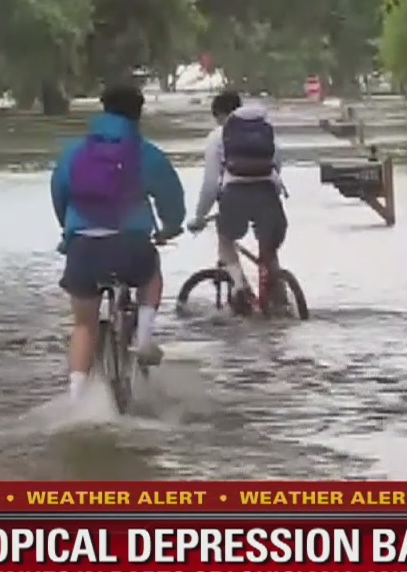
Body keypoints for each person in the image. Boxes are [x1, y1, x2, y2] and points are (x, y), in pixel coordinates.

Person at [50, 84, 185, 403]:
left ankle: (76, 401)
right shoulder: (147, 154)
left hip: (84, 249)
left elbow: (59, 194)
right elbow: (171, 198)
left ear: (103, 110)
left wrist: (69, 232)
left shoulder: (74, 153)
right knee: (150, 275)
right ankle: (144, 337)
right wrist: (169, 228)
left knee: (84, 325)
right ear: (139, 114)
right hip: (131, 248)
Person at [187, 91, 288, 313]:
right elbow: (277, 166)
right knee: (269, 249)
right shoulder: (266, 131)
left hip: (234, 196)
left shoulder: (217, 136)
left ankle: (240, 287)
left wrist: (200, 216)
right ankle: (280, 301)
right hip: (267, 194)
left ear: (219, 115)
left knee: (225, 240)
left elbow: (210, 184)